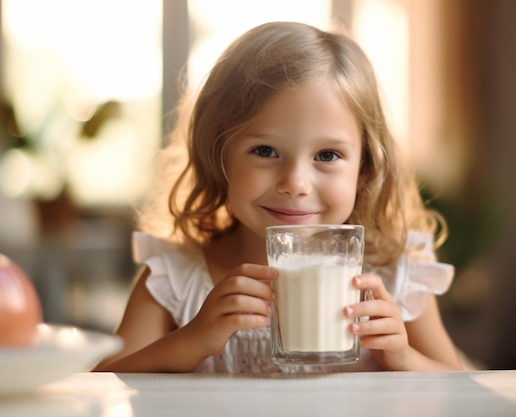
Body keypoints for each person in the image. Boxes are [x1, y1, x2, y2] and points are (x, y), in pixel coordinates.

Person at [93, 21, 463, 373]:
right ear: (218, 159)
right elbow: (103, 382)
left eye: (327, 156)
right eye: (265, 151)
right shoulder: (176, 277)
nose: (295, 183)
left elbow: (459, 388)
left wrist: (404, 359)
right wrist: (191, 340)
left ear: (364, 168)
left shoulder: (395, 276)